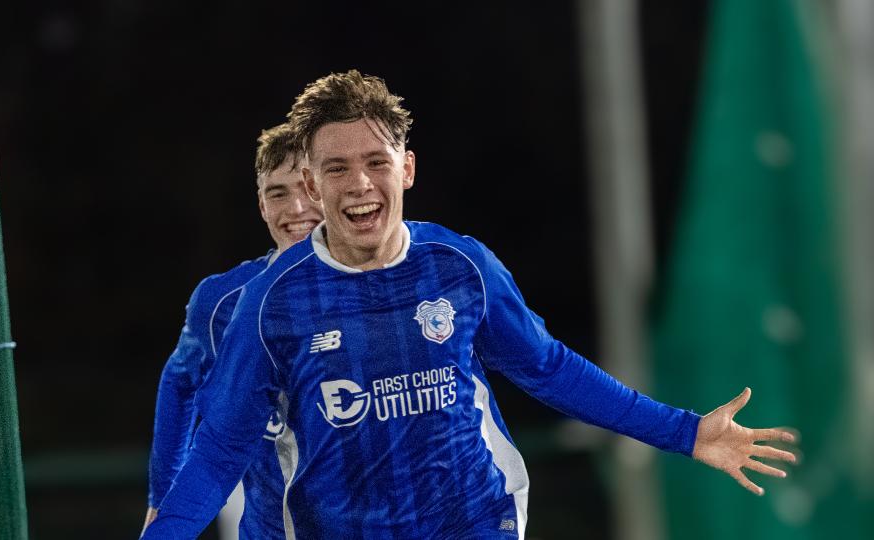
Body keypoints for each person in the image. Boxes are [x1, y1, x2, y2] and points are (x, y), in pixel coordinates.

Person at [142, 70, 798, 539]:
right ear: (312, 182)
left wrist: (683, 432)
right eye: (337, 169)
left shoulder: (460, 267)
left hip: (473, 521)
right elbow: (220, 450)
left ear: (408, 169)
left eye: (376, 161)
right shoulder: (267, 302)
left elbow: (549, 368)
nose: (360, 183)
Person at [143, 123, 324, 538]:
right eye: (278, 193)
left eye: (308, 189)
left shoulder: (388, 284)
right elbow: (178, 382)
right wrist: (161, 501)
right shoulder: (222, 302)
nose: (296, 209)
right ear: (262, 205)